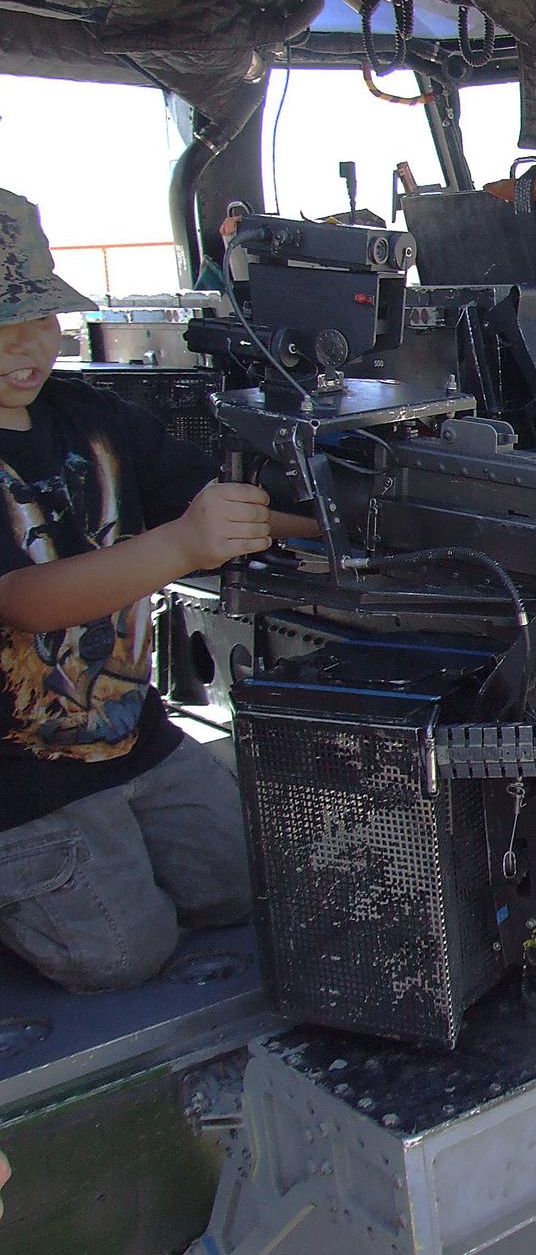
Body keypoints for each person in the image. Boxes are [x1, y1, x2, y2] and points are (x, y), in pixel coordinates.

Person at [0, 188, 304, 990]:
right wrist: (181, 544)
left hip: (138, 736)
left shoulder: (91, 416)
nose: (23, 347)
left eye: (34, 318)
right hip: (21, 782)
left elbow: (218, 499)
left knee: (249, 888)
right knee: (121, 957)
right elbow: (24, 602)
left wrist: (348, 515)